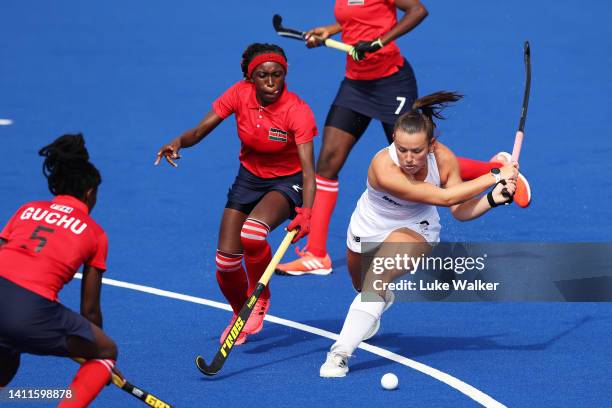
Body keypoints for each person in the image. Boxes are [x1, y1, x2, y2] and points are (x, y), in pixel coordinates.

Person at [277, 0, 531, 276]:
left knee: (416, 155)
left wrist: (377, 42)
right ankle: (316, 254)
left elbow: (418, 10)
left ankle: (495, 169)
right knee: (328, 161)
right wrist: (330, 29)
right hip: (355, 84)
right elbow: (358, 17)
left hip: (391, 83)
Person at [317, 92, 518, 377]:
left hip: (416, 227)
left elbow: (459, 210)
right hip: (368, 224)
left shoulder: (444, 159)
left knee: (378, 275)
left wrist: (492, 199)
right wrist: (496, 174)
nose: (409, 159)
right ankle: (378, 299)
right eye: (402, 150)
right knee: (363, 287)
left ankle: (339, 354)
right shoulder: (382, 166)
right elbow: (446, 198)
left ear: (431, 146)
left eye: (417, 151)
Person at [155, 43, 317, 344]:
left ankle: (260, 296)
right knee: (226, 261)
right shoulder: (238, 94)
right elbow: (201, 130)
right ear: (249, 78)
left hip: (287, 181)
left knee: (253, 233)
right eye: (263, 75)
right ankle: (241, 312)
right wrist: (178, 141)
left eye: (277, 75)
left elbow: (309, 169)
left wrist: (307, 212)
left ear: (285, 74)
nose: (271, 82)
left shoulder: (297, 111)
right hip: (249, 179)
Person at [0, 134, 117, 407]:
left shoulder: (26, 210)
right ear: (90, 194)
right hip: (29, 311)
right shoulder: (95, 233)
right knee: (107, 351)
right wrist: (97, 358)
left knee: (5, 366)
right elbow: (89, 310)